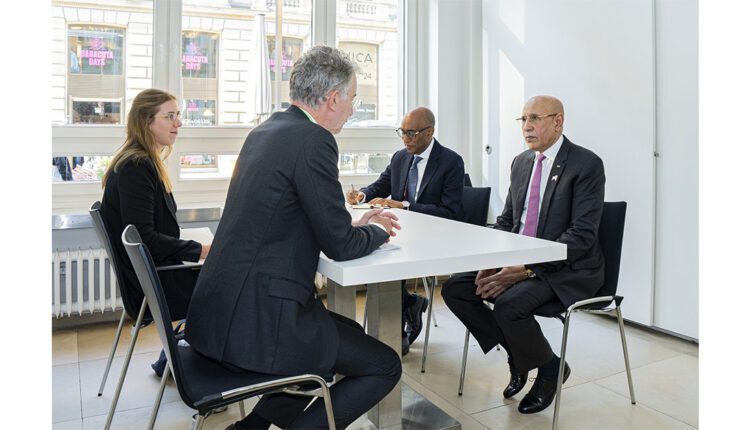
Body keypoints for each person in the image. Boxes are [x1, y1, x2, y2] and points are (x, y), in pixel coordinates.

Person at [185, 46, 402, 430]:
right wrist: (378, 231)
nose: (352, 109)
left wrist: (353, 225)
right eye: (352, 99)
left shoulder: (267, 130)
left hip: (221, 311)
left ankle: (249, 427)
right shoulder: (313, 140)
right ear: (334, 99)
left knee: (346, 332)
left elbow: (284, 215)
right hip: (260, 322)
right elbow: (340, 246)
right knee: (384, 366)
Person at [441, 95, 605, 414]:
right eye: (523, 120)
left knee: (508, 305)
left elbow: (582, 237)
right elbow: (507, 222)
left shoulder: (586, 164)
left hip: (567, 267)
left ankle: (548, 370)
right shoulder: (521, 162)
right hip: (520, 258)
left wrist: (526, 267)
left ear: (558, 121)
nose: (527, 127)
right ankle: (523, 355)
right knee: (456, 288)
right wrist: (492, 261)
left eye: (535, 119)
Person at [100, 88, 210, 377]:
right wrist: (200, 250)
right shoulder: (137, 167)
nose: (179, 123)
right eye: (170, 116)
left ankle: (177, 358)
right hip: (155, 285)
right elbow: (145, 239)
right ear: (146, 121)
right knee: (232, 284)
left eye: (179, 115)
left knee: (224, 277)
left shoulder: (141, 161)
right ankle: (204, 369)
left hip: (152, 278)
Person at [346, 107, 464, 355]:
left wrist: (406, 206)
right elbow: (382, 184)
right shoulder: (400, 157)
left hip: (434, 237)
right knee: (370, 257)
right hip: (402, 233)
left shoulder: (450, 162)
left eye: (411, 133)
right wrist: (363, 194)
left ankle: (396, 328)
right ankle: (409, 304)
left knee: (381, 262)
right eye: (402, 132)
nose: (405, 139)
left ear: (429, 132)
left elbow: (451, 213)